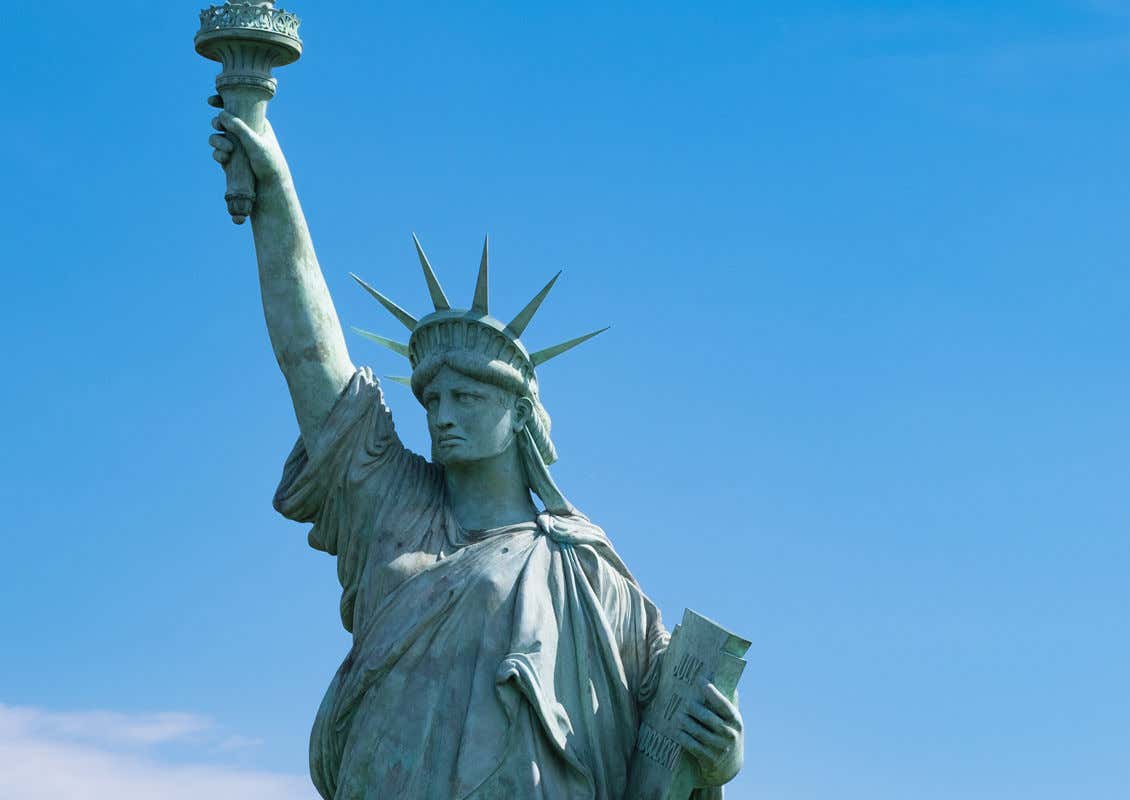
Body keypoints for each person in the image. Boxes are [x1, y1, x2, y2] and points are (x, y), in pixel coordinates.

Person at [207, 96, 744, 800]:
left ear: (520, 413)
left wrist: (721, 756)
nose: (442, 415)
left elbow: (664, 741)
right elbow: (310, 360)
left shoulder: (588, 576)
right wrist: (276, 193)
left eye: (468, 398)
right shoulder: (392, 509)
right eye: (431, 399)